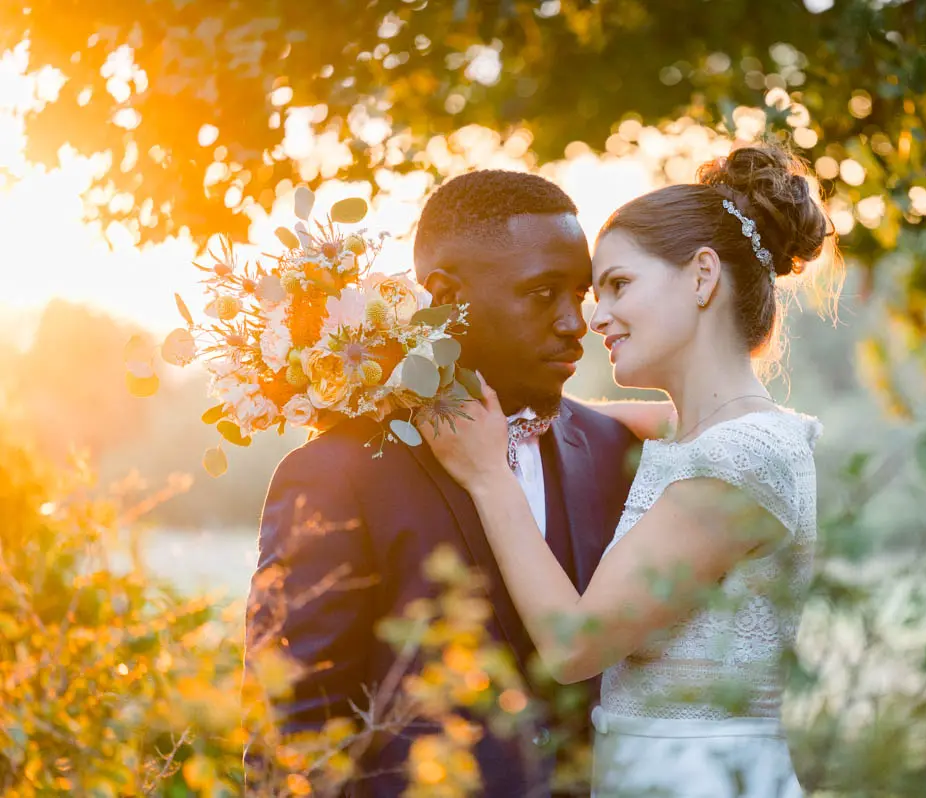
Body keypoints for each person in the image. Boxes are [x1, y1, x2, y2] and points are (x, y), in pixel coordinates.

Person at [422, 143, 840, 797]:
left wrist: (487, 476)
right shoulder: (710, 436)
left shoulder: (738, 461)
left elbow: (573, 646)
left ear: (703, 277)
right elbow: (594, 423)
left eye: (619, 284)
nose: (595, 315)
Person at [245, 170, 638, 797]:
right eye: (542, 294)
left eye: (579, 292)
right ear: (443, 297)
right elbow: (293, 727)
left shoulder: (614, 449)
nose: (575, 322)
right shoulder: (336, 474)